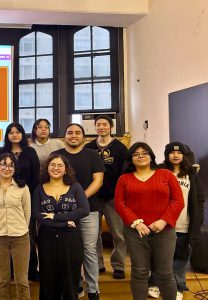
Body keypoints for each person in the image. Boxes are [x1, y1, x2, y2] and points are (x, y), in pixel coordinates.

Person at [114, 142, 184, 300]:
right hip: (134, 232)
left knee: (165, 273)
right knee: (139, 272)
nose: (140, 156)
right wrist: (136, 222)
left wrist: (164, 220)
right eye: (136, 154)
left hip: (164, 231)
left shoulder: (166, 174)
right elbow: (120, 204)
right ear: (131, 159)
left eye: (144, 153)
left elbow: (178, 201)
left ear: (151, 156)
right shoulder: (124, 179)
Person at [147, 142, 205, 300]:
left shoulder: (191, 174)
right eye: (171, 152)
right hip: (162, 224)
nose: (175, 155)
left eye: (179, 153)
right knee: (159, 257)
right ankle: (155, 284)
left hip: (183, 225)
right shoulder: (159, 171)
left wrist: (197, 220)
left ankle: (178, 286)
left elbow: (199, 200)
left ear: (184, 155)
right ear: (167, 155)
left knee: (179, 259)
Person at [53, 123, 104, 299]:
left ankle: (92, 289)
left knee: (89, 249)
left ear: (84, 137)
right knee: (68, 251)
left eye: (77, 133)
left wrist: (80, 199)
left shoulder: (92, 155)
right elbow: (51, 182)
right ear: (64, 137)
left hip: (89, 210)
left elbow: (98, 181)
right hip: (64, 211)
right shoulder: (57, 156)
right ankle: (73, 287)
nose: (73, 135)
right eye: (69, 133)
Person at [34, 154, 90, 300]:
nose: (56, 168)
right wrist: (65, 222)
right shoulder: (39, 189)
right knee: (48, 279)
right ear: (47, 168)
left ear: (66, 170)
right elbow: (37, 214)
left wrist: (56, 217)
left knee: (70, 279)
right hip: (47, 238)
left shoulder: (75, 187)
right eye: (52, 165)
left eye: (60, 165)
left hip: (72, 239)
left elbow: (84, 210)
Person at [84, 115, 128, 280]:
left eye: (104, 124)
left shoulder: (120, 148)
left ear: (111, 127)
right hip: (93, 199)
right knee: (94, 235)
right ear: (95, 127)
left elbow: (125, 174)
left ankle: (118, 265)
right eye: (98, 125)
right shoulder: (88, 147)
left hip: (113, 199)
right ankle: (98, 263)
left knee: (119, 234)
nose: (101, 127)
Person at [0, 153, 31, 300]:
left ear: (15, 169)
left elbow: (27, 213)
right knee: (2, 279)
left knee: (21, 280)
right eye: (4, 164)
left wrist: (19, 227)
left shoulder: (23, 188)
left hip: (20, 236)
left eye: (11, 165)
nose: (7, 168)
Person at [0, 122, 40, 281]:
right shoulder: (2, 152)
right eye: (11, 132)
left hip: (26, 199)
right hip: (6, 200)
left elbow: (36, 176)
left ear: (23, 134)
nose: (14, 134)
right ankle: (10, 271)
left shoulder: (30, 152)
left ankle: (31, 270)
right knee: (7, 236)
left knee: (28, 236)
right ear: (7, 135)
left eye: (18, 132)